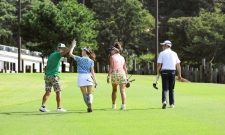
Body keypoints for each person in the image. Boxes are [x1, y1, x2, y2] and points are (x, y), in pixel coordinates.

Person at [39, 40, 75, 112]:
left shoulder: (51, 55)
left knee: (48, 92)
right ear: (58, 48)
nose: (63, 50)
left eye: (63, 48)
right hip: (54, 76)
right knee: (58, 91)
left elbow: (46, 66)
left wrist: (46, 74)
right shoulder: (57, 54)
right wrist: (72, 45)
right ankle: (59, 108)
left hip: (47, 76)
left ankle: (42, 106)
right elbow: (66, 52)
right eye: (61, 48)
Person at [69, 42, 98, 113]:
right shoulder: (91, 61)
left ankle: (89, 106)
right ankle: (90, 102)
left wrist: (72, 46)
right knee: (90, 93)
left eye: (82, 50)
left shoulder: (79, 59)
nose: (81, 52)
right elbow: (92, 72)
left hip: (81, 76)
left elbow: (70, 54)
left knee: (84, 94)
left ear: (85, 52)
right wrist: (95, 81)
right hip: (88, 76)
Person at [156, 40, 182, 109]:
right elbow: (178, 65)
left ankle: (164, 101)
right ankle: (172, 104)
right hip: (173, 71)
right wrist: (179, 74)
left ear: (167, 46)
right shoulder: (174, 53)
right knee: (171, 88)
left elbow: (159, 64)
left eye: (163, 45)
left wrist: (157, 72)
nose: (162, 46)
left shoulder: (162, 53)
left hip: (164, 71)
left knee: (165, 88)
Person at [107, 42, 128, 110]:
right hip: (122, 74)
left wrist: (108, 76)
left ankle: (114, 105)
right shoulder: (122, 57)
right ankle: (123, 105)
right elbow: (125, 68)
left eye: (111, 50)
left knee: (114, 90)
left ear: (116, 50)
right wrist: (126, 78)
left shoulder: (112, 57)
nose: (110, 51)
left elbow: (111, 67)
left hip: (115, 74)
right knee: (122, 91)